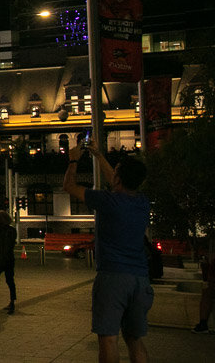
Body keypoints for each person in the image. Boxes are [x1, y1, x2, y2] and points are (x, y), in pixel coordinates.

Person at [64, 141, 152, 363]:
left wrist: (74, 160)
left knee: (108, 339)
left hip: (113, 277)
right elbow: (118, 179)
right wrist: (98, 155)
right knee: (134, 338)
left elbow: (69, 186)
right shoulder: (142, 203)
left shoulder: (108, 201)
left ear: (118, 178)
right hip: (140, 279)